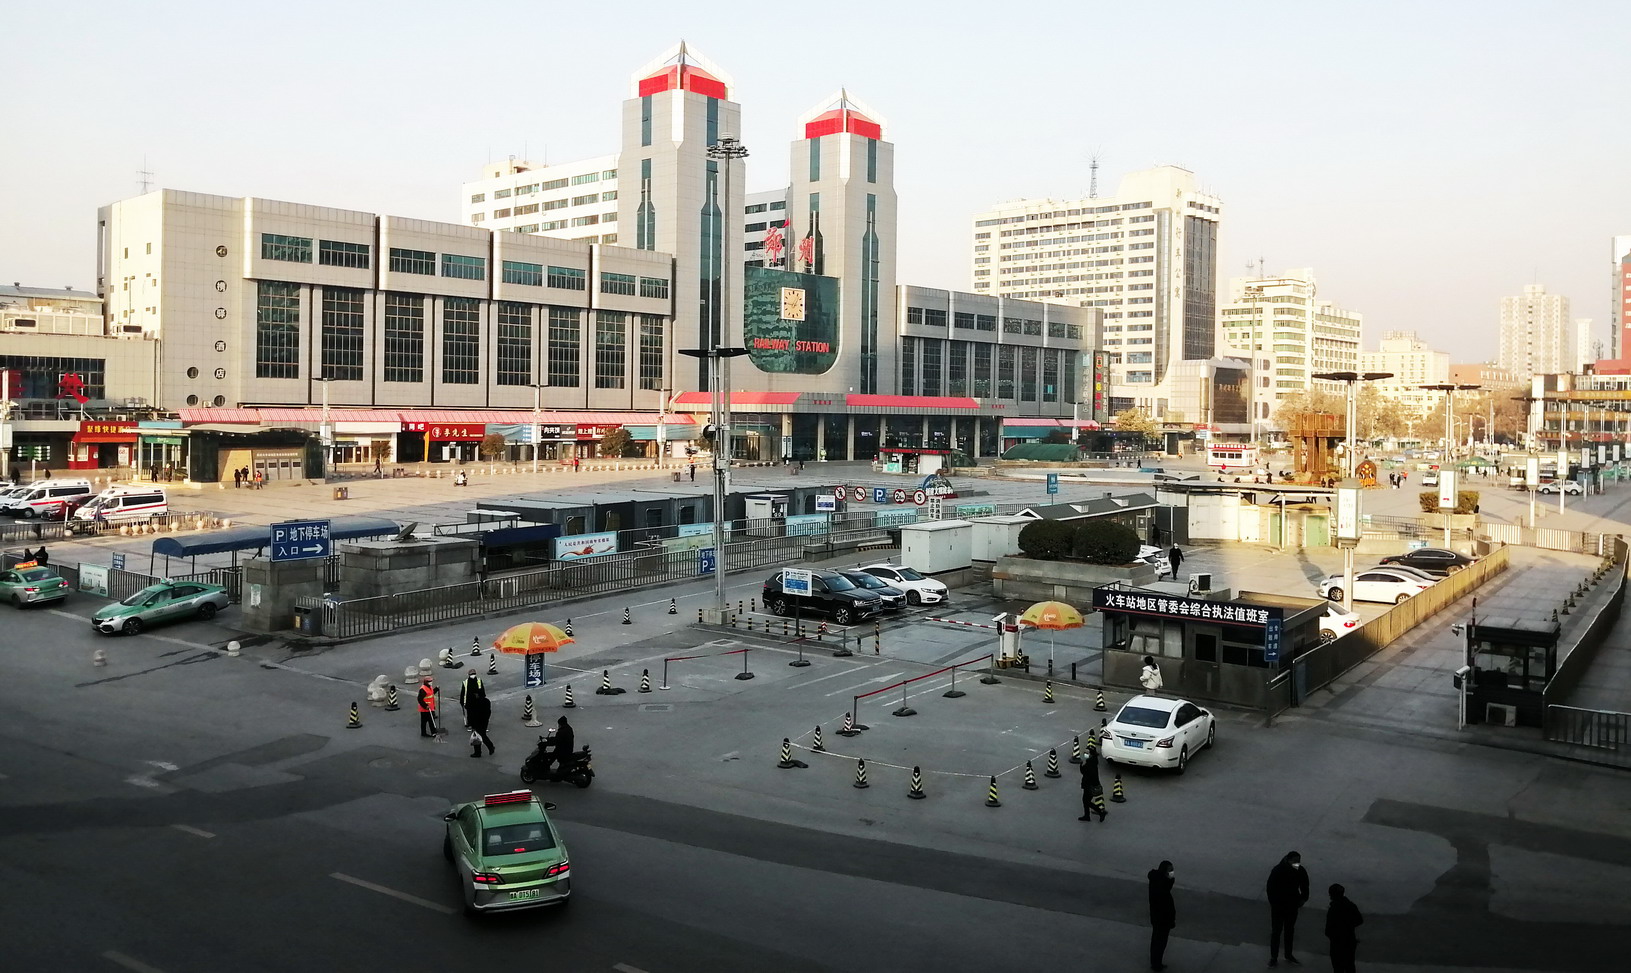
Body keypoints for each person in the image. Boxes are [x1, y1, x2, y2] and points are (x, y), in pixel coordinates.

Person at [1267, 850, 1310, 967]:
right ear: (1289, 860)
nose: (1297, 863)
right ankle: (1274, 957)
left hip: (1291, 905)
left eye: (1298, 861)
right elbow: (1270, 889)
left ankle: (1288, 954)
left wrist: (1303, 898)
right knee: (1276, 932)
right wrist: (1274, 904)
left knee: (1289, 931)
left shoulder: (1298, 870)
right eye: (1295, 861)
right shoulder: (1278, 871)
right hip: (1279, 906)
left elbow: (1305, 885)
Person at [1324, 884, 1362, 973]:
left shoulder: (1333, 909)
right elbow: (1360, 920)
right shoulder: (1351, 905)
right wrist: (1349, 926)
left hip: (1337, 943)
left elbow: (1328, 930)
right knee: (1350, 965)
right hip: (1350, 940)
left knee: (1338, 967)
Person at [1148, 860, 1176, 971]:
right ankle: (1156, 964)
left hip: (1157, 918)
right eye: (1170, 870)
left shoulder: (1156, 881)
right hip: (1162, 920)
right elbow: (1165, 903)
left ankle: (1156, 962)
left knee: (1157, 941)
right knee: (1160, 942)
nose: (1172, 873)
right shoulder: (1161, 885)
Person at [1078, 747, 1106, 822]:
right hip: (1089, 784)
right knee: (1085, 800)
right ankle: (1087, 815)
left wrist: (1082, 765)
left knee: (1086, 801)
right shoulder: (1092, 761)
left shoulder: (1090, 763)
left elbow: (1085, 773)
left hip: (1089, 785)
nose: (1085, 754)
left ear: (1091, 754)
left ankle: (1100, 812)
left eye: (1087, 753)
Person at [465, 685, 495, 757]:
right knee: (482, 735)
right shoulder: (486, 701)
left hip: (477, 722)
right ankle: (489, 747)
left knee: (477, 736)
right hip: (484, 722)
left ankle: (479, 751)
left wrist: (470, 722)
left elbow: (470, 710)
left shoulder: (475, 702)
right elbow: (488, 712)